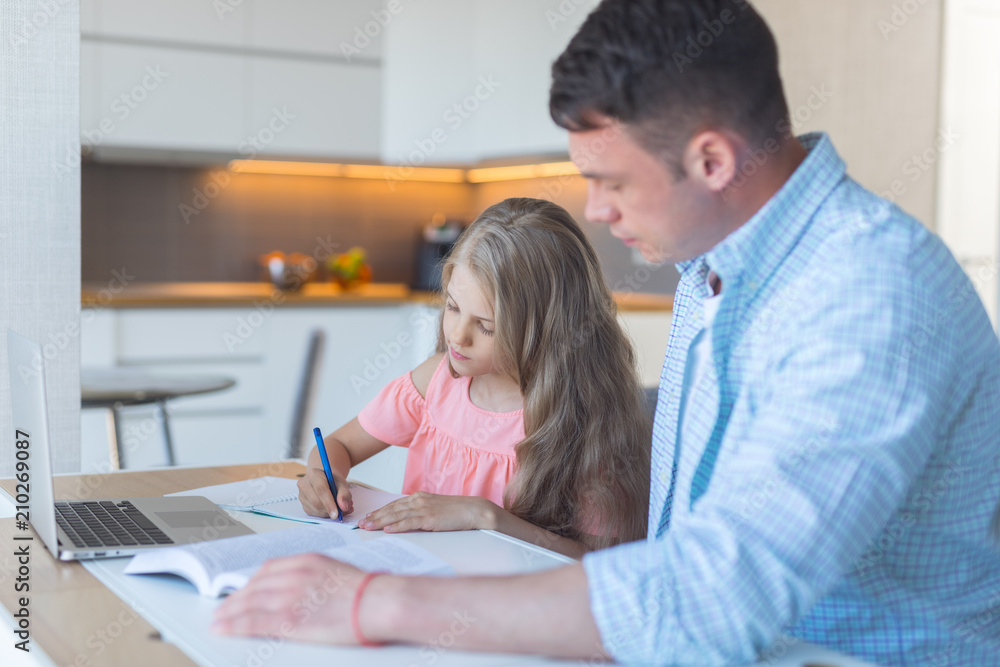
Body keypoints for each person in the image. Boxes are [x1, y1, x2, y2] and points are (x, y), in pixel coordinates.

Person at [212, 1, 1000, 664]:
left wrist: (382, 602)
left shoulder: (869, 293)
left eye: (610, 180)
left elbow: (713, 596)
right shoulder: (713, 271)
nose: (595, 211)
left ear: (714, 159)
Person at [296, 197, 650, 558]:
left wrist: (486, 516)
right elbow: (338, 446)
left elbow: (604, 562)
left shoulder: (584, 423)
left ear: (548, 329)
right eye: (452, 307)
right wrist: (322, 477)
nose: (457, 336)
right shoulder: (434, 382)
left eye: (485, 326)